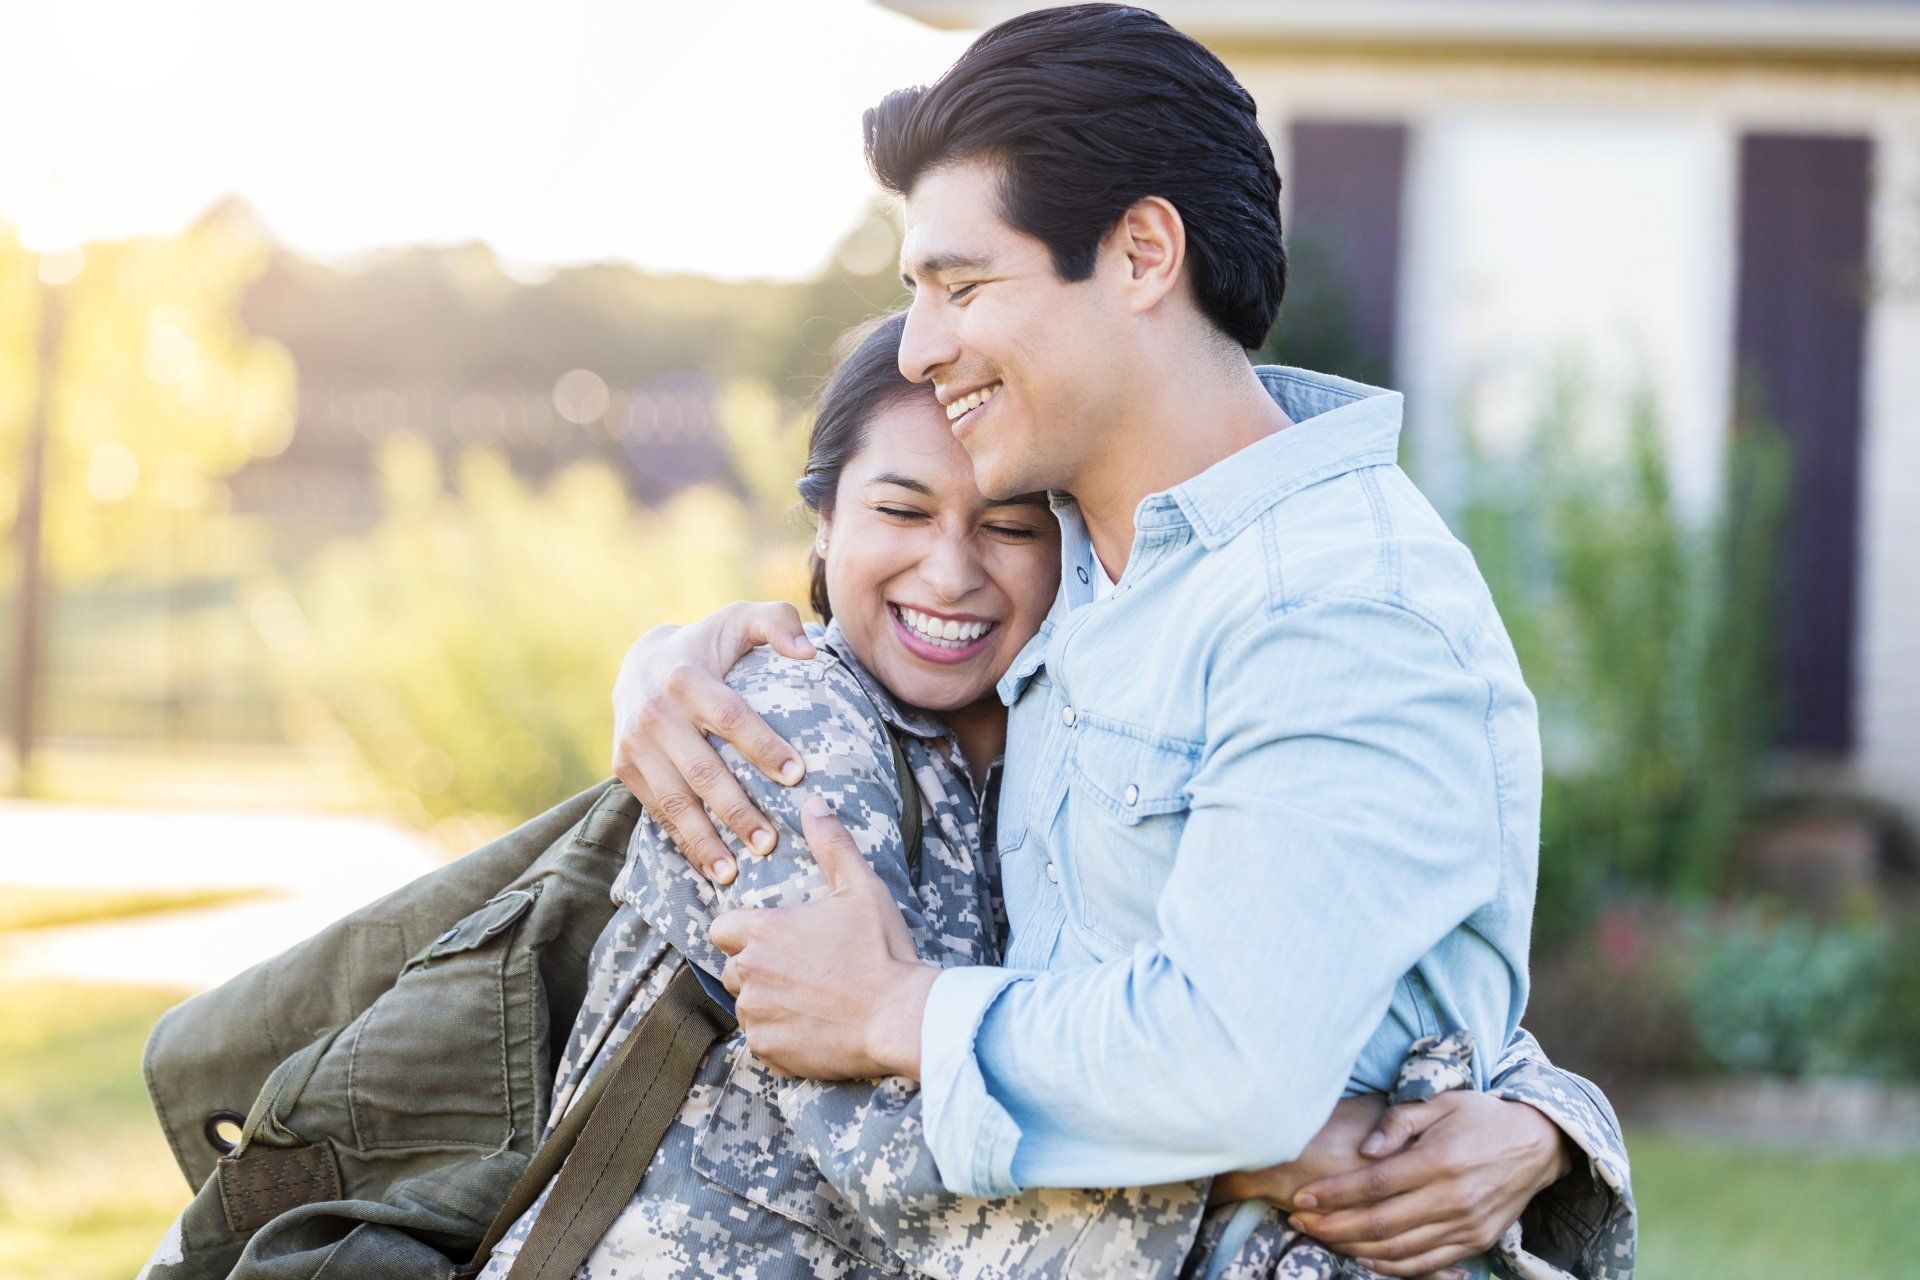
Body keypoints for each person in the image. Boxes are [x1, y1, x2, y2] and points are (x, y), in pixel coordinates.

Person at [605, 7, 1635, 1278]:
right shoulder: (1079, 565)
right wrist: (673, 654)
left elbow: (1237, 1057)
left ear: (1143, 252)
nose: (920, 347)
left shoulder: (1337, 605)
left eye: (962, 286)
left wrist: (895, 1010)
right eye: (916, 294)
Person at [480, 313, 1628, 1280]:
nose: (950, 570)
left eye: (1008, 525)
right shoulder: (783, 727)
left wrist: (1546, 1127)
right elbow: (896, 1154)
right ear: (822, 523)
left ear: (1070, 546)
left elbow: (1293, 975)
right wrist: (1270, 1144)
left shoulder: (1074, 736)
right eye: (901, 511)